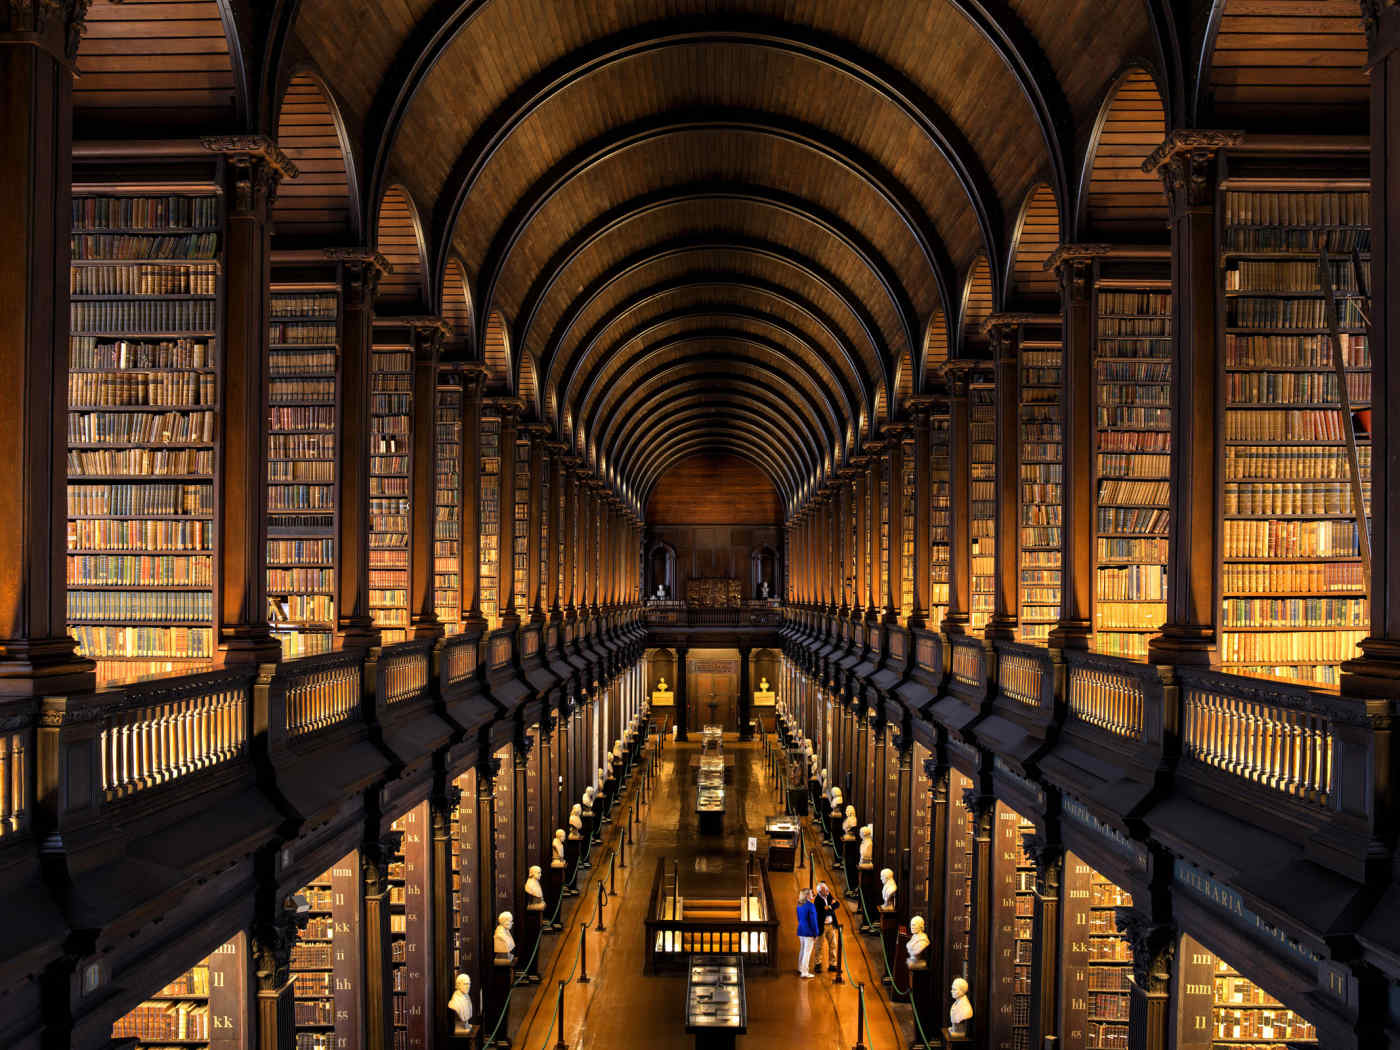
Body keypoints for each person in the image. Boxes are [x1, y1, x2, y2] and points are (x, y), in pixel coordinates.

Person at [813, 881, 840, 974]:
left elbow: (837, 904)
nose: (828, 891)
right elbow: (822, 913)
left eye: (827, 889)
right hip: (822, 926)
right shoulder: (817, 901)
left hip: (831, 924)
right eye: (825, 890)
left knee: (833, 945)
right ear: (820, 892)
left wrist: (829, 907)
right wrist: (830, 907)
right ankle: (818, 964)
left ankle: (832, 964)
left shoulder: (828, 895)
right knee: (819, 946)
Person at [796, 888, 819, 979]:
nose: (813, 894)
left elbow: (799, 918)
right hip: (809, 931)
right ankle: (805, 972)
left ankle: (800, 968)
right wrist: (816, 933)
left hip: (801, 930)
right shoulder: (811, 906)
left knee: (802, 950)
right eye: (811, 893)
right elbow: (813, 921)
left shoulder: (799, 905)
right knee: (807, 952)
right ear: (807, 895)